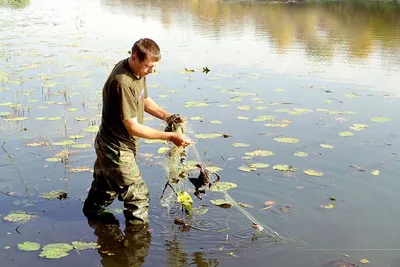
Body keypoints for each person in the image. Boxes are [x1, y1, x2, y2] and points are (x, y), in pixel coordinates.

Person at [83, 38, 193, 225]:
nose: (151, 71)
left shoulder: (137, 73)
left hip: (113, 145)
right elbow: (132, 127)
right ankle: (138, 241)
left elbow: (144, 101)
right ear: (134, 57)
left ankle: (92, 218)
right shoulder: (122, 82)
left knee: (106, 187)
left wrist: (168, 117)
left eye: (154, 67)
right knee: (138, 196)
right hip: (115, 149)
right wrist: (171, 136)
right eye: (148, 66)